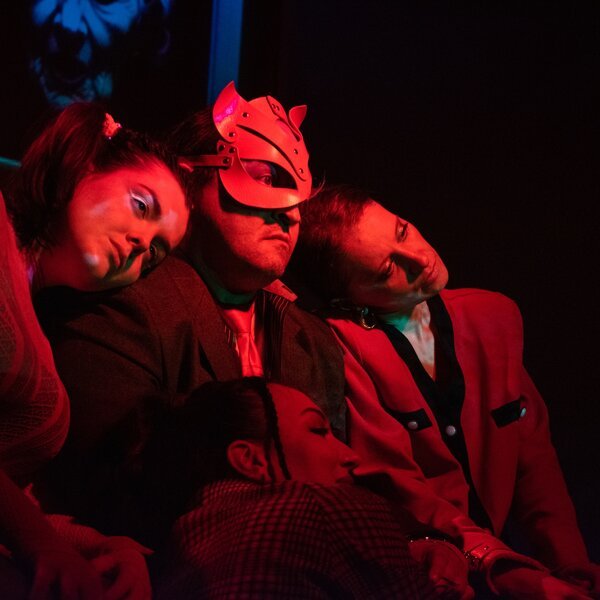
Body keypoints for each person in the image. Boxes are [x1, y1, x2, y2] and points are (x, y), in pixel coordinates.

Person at [33, 82, 346, 544]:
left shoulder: (316, 341)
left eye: (300, 199)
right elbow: (114, 483)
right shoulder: (125, 297)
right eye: (266, 179)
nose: (292, 214)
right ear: (192, 182)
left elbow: (344, 475)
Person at [291, 183, 599, 598]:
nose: (420, 258)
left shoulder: (492, 316)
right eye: (386, 270)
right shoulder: (344, 349)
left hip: (508, 563)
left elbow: (533, 459)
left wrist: (571, 565)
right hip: (421, 571)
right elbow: (395, 484)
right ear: (347, 299)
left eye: (403, 231)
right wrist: (500, 566)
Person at [1, 101, 188, 598]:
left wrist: (102, 546)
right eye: (142, 206)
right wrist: (44, 545)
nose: (141, 243)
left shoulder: (43, 335)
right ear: (85, 164)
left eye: (156, 252)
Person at [142, 377, 465, 599]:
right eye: (317, 430)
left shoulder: (169, 553)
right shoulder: (324, 508)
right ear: (250, 460)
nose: (350, 456)